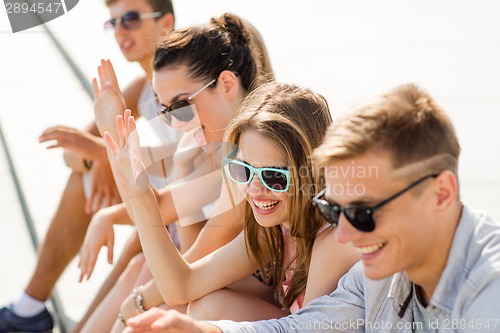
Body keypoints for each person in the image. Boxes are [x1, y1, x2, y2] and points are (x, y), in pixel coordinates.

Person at [120, 83, 500, 333]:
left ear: (441, 194)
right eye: (335, 211)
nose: (346, 234)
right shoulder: (371, 274)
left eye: (363, 213)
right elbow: (304, 328)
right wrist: (204, 331)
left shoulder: (489, 290)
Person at [78, 13, 285, 333]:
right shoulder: (227, 147)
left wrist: (132, 307)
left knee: (173, 297)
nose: (176, 123)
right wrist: (113, 135)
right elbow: (158, 210)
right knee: (147, 272)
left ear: (228, 84)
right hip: (242, 297)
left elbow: (187, 270)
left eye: (181, 105)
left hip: (295, 314)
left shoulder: (256, 159)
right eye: (165, 110)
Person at [105, 81, 358, 331]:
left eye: (274, 176)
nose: (255, 189)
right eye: (243, 170)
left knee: (205, 310)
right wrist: (141, 198)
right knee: (204, 305)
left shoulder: (332, 238)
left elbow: (303, 329)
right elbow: (182, 286)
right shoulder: (275, 230)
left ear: (312, 172)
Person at [0, 1, 177, 332]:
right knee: (81, 180)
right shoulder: (141, 88)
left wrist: (106, 154)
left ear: (166, 22)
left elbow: (199, 160)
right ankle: (30, 309)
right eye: (113, 23)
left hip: (200, 206)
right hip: (170, 198)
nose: (121, 31)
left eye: (130, 19)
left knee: (138, 244)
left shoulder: (188, 80)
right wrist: (99, 157)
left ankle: (64, 321)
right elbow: (71, 151)